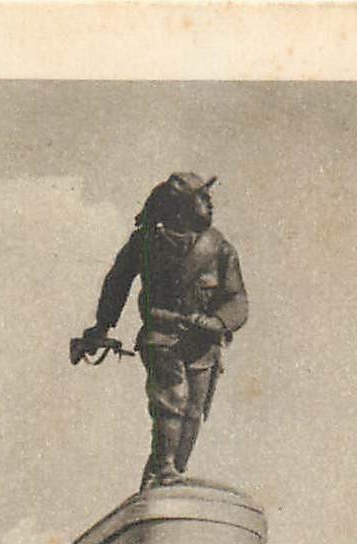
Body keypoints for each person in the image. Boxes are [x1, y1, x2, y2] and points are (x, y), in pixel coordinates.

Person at [80, 172, 249, 490]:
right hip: (162, 335)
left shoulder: (219, 247)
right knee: (172, 399)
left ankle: (168, 473)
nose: (210, 203)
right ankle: (165, 468)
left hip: (202, 343)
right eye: (202, 197)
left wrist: (218, 323)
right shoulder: (146, 242)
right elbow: (117, 282)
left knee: (193, 410)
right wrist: (102, 326)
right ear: (181, 205)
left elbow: (237, 298)